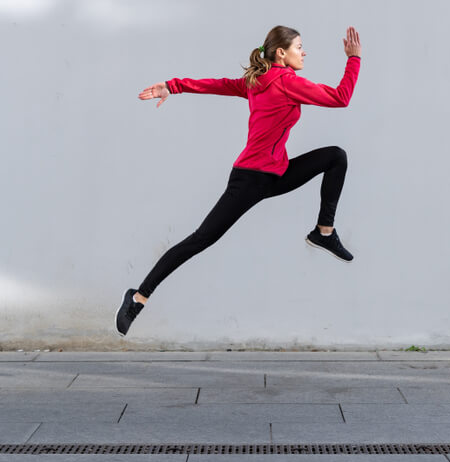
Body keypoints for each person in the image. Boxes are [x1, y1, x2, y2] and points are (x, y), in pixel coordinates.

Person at [116, 25, 362, 336]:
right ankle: (137, 298)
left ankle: (324, 232)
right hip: (250, 180)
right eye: (299, 47)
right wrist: (353, 60)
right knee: (200, 239)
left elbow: (217, 84)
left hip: (276, 173)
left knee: (335, 156)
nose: (304, 52)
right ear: (281, 53)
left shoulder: (256, 81)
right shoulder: (286, 81)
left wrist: (173, 85)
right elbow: (341, 98)